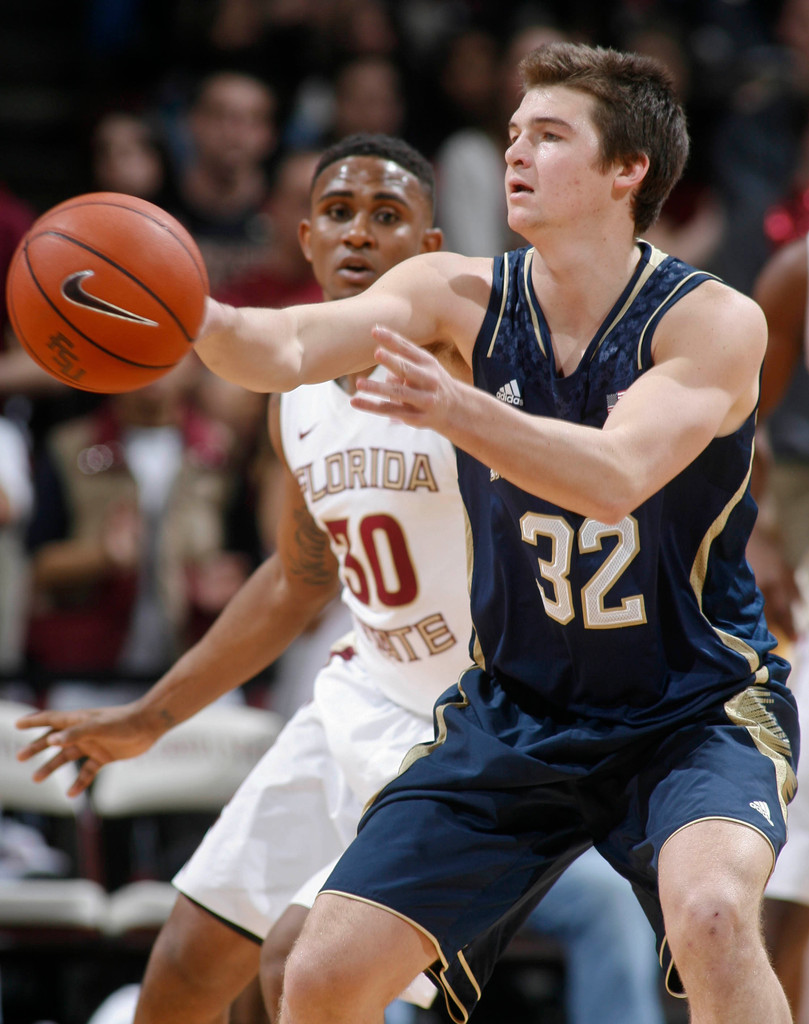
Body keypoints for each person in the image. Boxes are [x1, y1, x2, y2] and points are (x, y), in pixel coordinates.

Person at [183, 42, 798, 1024]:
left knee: (718, 913)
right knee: (322, 972)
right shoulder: (458, 294)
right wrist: (184, 306)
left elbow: (611, 477)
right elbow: (288, 345)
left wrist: (455, 408)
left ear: (624, 171)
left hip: (691, 707)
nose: (513, 151)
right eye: (512, 133)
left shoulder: (709, 321)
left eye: (548, 136)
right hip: (519, 708)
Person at [16, 132, 668, 1024]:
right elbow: (297, 578)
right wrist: (148, 718)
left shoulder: (476, 367)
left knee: (298, 965)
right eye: (338, 213)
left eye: (387, 215)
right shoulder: (297, 397)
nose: (359, 233)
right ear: (306, 240)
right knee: (186, 969)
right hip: (354, 702)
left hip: (474, 731)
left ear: (427, 254)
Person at [746, 233, 809, 1024]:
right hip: (801, 529)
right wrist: (753, 533)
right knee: (794, 864)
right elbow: (734, 425)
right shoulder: (795, 275)